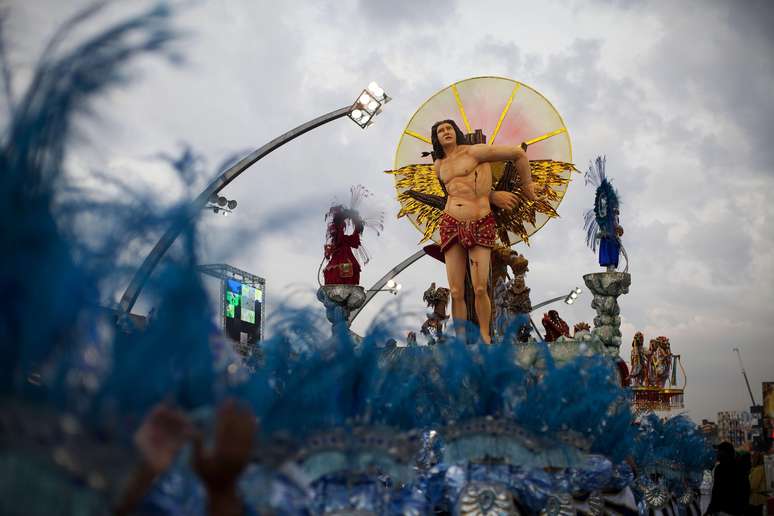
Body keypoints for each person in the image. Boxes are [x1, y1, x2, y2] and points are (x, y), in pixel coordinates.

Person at [431, 119, 536, 343]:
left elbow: (518, 154)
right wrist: (492, 196)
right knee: (456, 291)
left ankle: (485, 337)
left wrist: (526, 185)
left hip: (480, 220)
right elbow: (456, 191)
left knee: (480, 288)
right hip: (450, 222)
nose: (446, 132)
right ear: (437, 138)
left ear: (456, 132)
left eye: (449, 128)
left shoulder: (475, 152)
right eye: (441, 130)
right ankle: (460, 341)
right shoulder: (438, 166)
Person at [706, 441, 745, 516]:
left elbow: (717, 491)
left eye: (718, 451)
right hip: (737, 509)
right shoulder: (739, 466)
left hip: (724, 510)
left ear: (723, 453)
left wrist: (711, 509)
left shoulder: (721, 469)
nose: (716, 454)